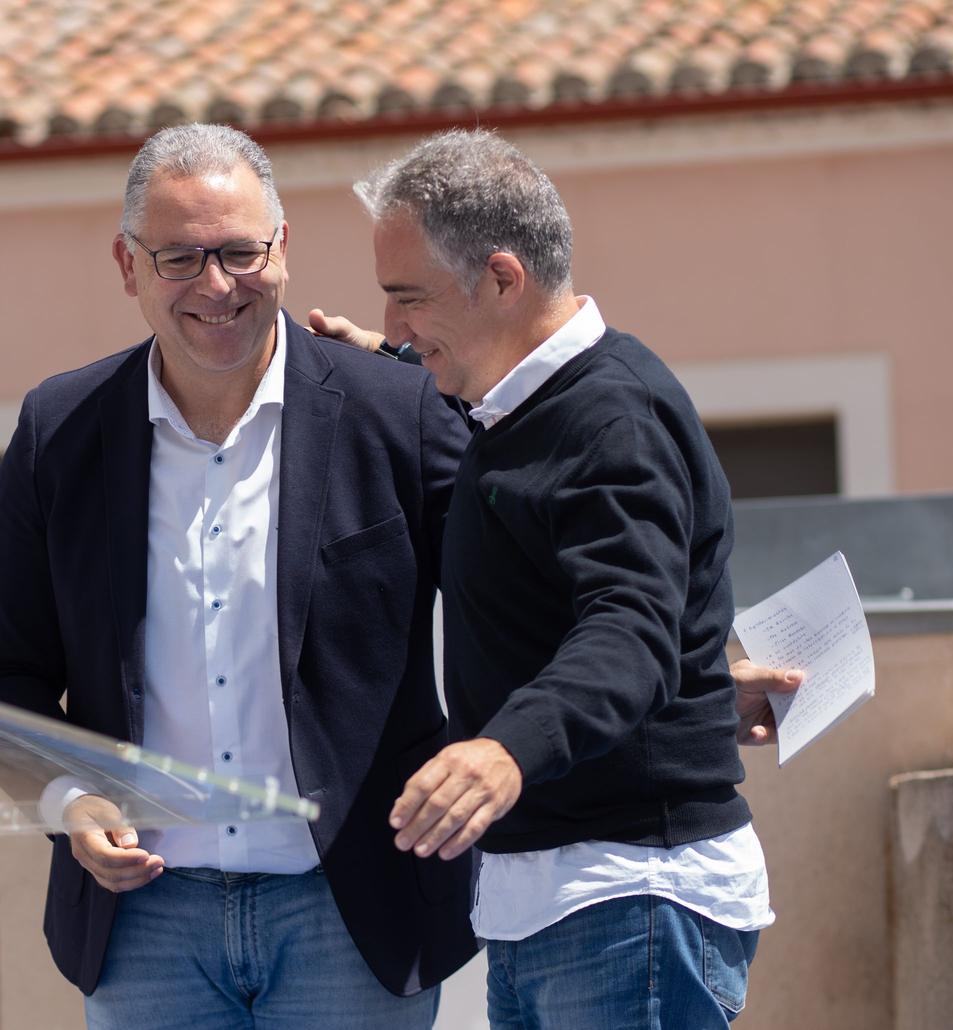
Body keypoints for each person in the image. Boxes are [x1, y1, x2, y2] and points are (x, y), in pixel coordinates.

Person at [0, 123, 474, 1026]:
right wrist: (67, 801)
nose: (216, 286)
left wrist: (688, 663)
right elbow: (0, 680)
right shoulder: (59, 431)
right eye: (180, 258)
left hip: (352, 916)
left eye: (240, 252)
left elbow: (530, 570)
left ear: (284, 250)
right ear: (127, 266)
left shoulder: (397, 412)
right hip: (143, 930)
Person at [330, 127, 775, 1027]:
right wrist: (394, 363)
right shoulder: (524, 416)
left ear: (501, 278)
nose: (398, 328)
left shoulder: (613, 418)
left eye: (409, 300)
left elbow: (629, 632)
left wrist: (503, 750)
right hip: (561, 908)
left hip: (628, 905)